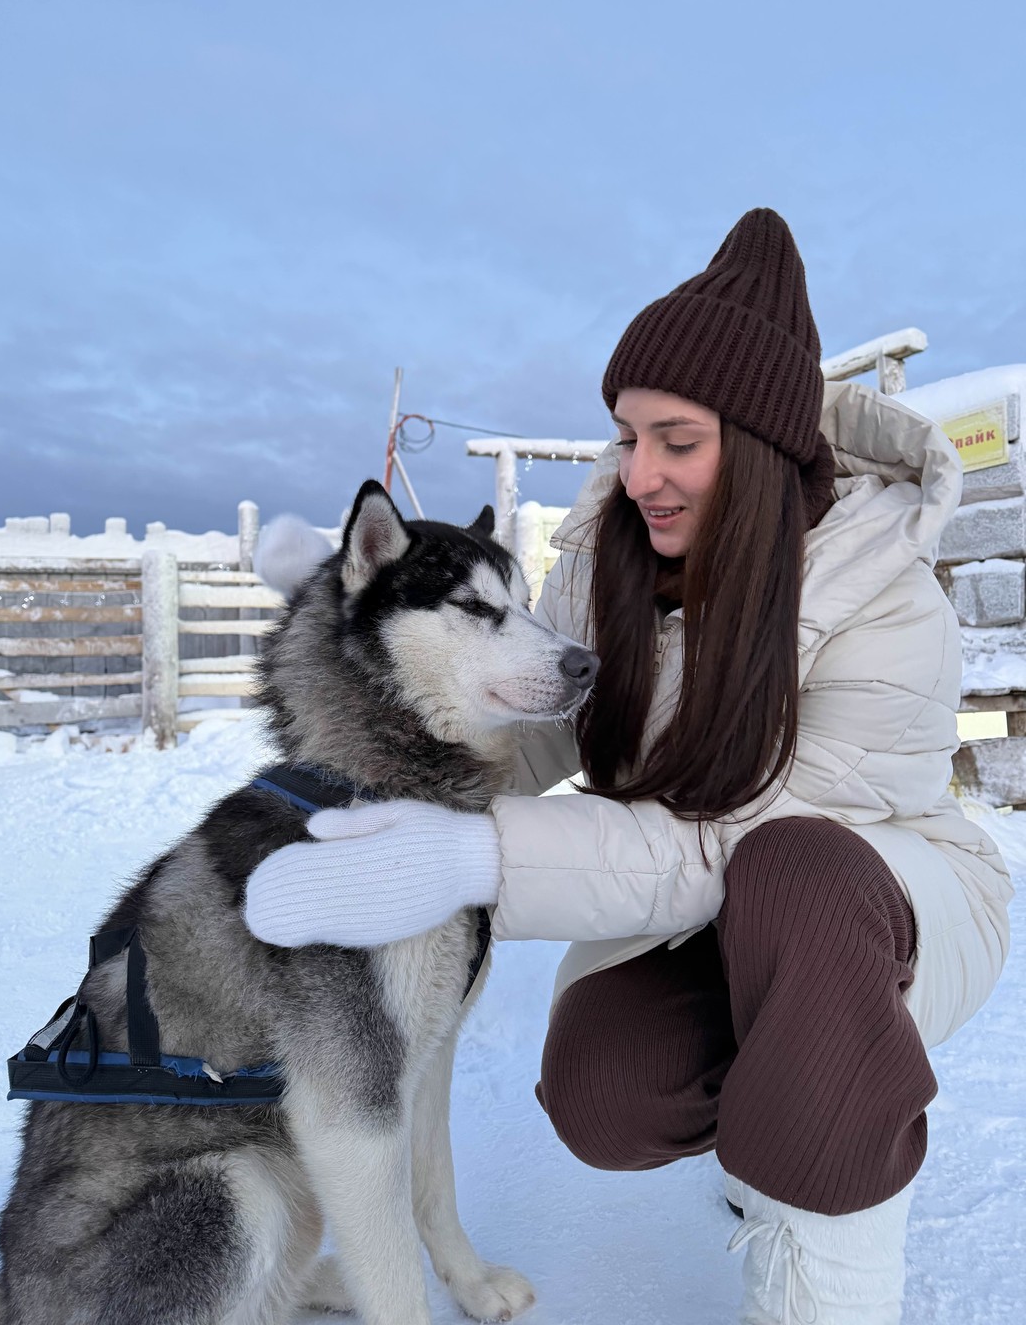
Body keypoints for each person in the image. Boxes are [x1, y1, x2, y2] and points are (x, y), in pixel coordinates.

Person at [244, 209, 1012, 1324]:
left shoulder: (886, 591)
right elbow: (539, 737)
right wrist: (372, 802)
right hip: (691, 906)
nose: (637, 470)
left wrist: (474, 857)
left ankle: (831, 1233)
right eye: (625, 434)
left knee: (797, 883)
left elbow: (740, 840)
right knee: (606, 1094)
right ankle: (781, 1128)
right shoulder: (611, 561)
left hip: (882, 907)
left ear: (754, 445)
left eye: (676, 440)